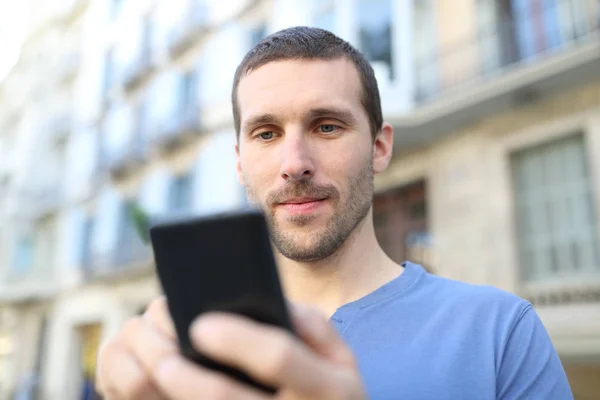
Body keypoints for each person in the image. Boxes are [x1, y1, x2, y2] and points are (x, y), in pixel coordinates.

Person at [95, 26, 574, 399]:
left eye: (326, 127)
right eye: (266, 134)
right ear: (239, 164)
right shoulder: (179, 348)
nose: (294, 164)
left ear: (380, 147)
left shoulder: (500, 332)